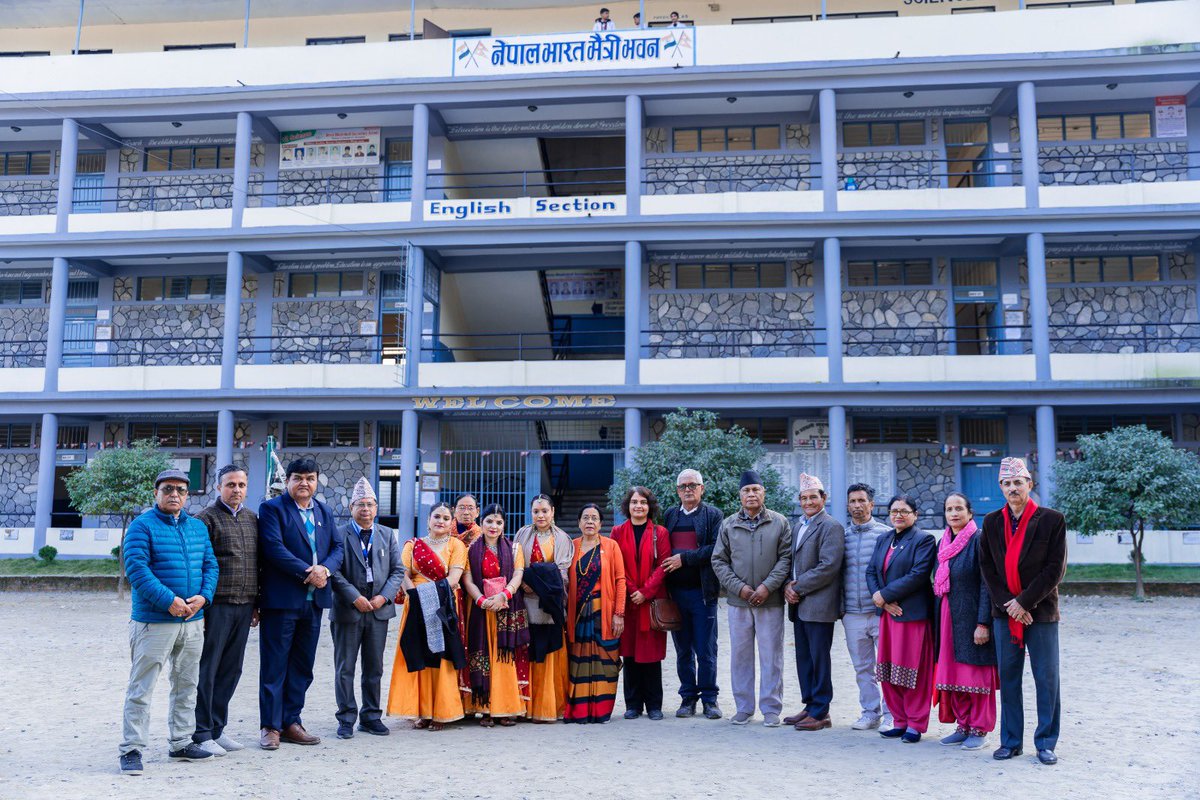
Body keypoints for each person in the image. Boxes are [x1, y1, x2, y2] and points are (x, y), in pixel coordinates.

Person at [118, 469, 219, 775]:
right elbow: (137, 570)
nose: (175, 494)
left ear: (188, 496)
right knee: (142, 687)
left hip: (193, 620)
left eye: (181, 490)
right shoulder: (141, 527)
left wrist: (204, 596)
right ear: (156, 493)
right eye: (168, 489)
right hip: (155, 621)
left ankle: (181, 742)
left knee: (187, 684)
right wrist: (169, 601)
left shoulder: (197, 527)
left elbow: (210, 564)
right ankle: (131, 749)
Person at [977, 457, 1067, 765]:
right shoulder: (990, 523)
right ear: (1000, 487)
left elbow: (1055, 569)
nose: (1013, 488)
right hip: (1005, 613)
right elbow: (987, 568)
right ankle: (1011, 741)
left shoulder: (1052, 519)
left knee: (1046, 678)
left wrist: (1024, 603)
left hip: (1040, 612)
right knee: (1009, 678)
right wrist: (1009, 605)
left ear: (1030, 484)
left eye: (1019, 482)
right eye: (1007, 483)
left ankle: (1045, 742)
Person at [256, 458, 344, 750]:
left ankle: (291, 721)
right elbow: (273, 548)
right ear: (288, 480)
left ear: (317, 480)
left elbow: (337, 547)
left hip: (314, 602)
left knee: (303, 666)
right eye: (297, 478)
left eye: (309, 478)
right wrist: (309, 571)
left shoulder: (323, 511)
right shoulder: (272, 509)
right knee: (275, 665)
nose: (304, 483)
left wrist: (326, 570)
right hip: (282, 600)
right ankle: (270, 726)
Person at [711, 470, 792, 728]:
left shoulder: (779, 523)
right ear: (740, 496)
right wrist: (741, 588)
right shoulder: (728, 524)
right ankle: (744, 708)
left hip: (770, 601)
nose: (751, 494)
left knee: (772, 655)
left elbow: (785, 558)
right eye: (746, 491)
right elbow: (718, 560)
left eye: (756, 490)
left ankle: (770, 708)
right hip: (738, 603)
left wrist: (767, 587)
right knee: (741, 656)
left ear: (763, 492)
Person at [329, 477, 405, 740]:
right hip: (348, 610)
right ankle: (346, 717)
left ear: (376, 508)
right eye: (360, 504)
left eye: (370, 504)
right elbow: (333, 571)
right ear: (351, 507)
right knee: (345, 667)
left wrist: (384, 597)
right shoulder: (338, 534)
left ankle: (371, 716)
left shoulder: (386, 534)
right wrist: (353, 596)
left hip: (378, 610)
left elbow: (398, 570)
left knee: (374, 667)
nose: (366, 509)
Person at [193, 464, 258, 757]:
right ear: (218, 487)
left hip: (244, 605)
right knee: (208, 669)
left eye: (241, 485)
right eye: (231, 485)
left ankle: (218, 729)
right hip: (216, 606)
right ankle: (201, 732)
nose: (236, 490)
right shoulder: (205, 519)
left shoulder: (252, 518)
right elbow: (198, 565)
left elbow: (258, 563)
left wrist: (257, 603)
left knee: (232, 669)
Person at [387, 502, 468, 731]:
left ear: (452, 522)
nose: (440, 521)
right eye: (436, 517)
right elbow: (402, 572)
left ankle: (441, 712)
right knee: (417, 653)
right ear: (428, 519)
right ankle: (422, 711)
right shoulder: (413, 545)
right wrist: (415, 595)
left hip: (442, 605)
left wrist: (428, 595)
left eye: (445, 518)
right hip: (415, 604)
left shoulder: (456, 545)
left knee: (441, 656)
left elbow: (454, 578)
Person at [867, 493, 937, 744]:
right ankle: (899, 720)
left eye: (904, 511)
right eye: (894, 510)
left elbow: (918, 575)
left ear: (915, 515)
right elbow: (871, 570)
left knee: (913, 672)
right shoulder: (884, 538)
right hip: (888, 615)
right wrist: (881, 600)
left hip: (912, 616)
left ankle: (915, 724)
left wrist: (884, 595)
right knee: (887, 670)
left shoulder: (924, 540)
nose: (898, 515)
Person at [933, 492, 999, 752]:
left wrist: (983, 623)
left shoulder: (979, 540)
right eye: (949, 509)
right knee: (954, 674)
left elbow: (987, 584)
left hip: (972, 618)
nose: (954, 513)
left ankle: (979, 729)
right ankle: (963, 725)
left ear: (970, 513)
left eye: (959, 508)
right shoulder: (945, 542)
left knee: (975, 676)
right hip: (948, 617)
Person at [783, 473, 845, 732]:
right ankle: (809, 705)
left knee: (819, 658)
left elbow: (828, 566)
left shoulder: (831, 526)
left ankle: (821, 711)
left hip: (818, 603)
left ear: (824, 498)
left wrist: (798, 586)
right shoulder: (799, 526)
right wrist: (788, 584)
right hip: (799, 603)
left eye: (813, 497)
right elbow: (792, 561)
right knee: (804, 658)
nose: (808, 502)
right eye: (804, 498)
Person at [661, 468, 724, 719]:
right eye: (683, 486)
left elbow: (715, 548)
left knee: (706, 648)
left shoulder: (713, 515)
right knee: (683, 649)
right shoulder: (670, 515)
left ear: (702, 488)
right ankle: (688, 697)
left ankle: (710, 698)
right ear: (677, 491)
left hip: (703, 593)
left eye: (693, 485)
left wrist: (683, 560)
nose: (688, 489)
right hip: (676, 594)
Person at [461, 503, 530, 726]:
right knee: (483, 659)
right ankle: (484, 708)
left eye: (499, 522)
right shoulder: (470, 549)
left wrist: (503, 596)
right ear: (481, 523)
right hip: (480, 610)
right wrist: (481, 600)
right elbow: (467, 579)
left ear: (504, 525)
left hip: (505, 609)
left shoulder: (514, 549)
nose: (493, 526)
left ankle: (504, 708)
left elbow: (518, 575)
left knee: (504, 660)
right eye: (489, 521)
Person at [611, 486, 671, 720]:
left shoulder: (660, 532)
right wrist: (632, 590)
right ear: (628, 506)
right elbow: (617, 567)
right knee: (630, 654)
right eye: (634, 502)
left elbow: (663, 566)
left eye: (643, 502)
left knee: (652, 655)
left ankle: (654, 705)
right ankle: (633, 705)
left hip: (651, 601)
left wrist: (645, 592)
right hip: (627, 601)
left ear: (649, 506)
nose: (638, 506)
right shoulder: (617, 532)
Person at [564, 503, 626, 723]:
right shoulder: (571, 547)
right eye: (585, 518)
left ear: (601, 523)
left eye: (594, 518)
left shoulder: (611, 546)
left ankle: (601, 711)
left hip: (605, 612)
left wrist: (619, 613)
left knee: (605, 660)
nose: (590, 522)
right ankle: (579, 712)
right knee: (578, 660)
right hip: (579, 613)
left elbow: (620, 580)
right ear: (579, 522)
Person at [514, 494, 573, 723]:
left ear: (553, 512)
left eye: (544, 511)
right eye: (536, 511)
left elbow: (561, 573)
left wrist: (537, 584)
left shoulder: (562, 538)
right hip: (525, 601)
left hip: (550, 604)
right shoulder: (522, 534)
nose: (540, 515)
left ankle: (547, 707)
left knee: (548, 655)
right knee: (527, 653)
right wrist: (524, 583)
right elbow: (517, 563)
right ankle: (525, 706)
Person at [841, 482, 892, 731]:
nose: (857, 505)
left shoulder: (886, 534)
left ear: (871, 504)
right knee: (863, 668)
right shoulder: (841, 537)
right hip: (852, 613)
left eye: (862, 501)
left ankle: (892, 712)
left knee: (886, 665)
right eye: (853, 501)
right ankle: (870, 712)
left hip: (880, 613)